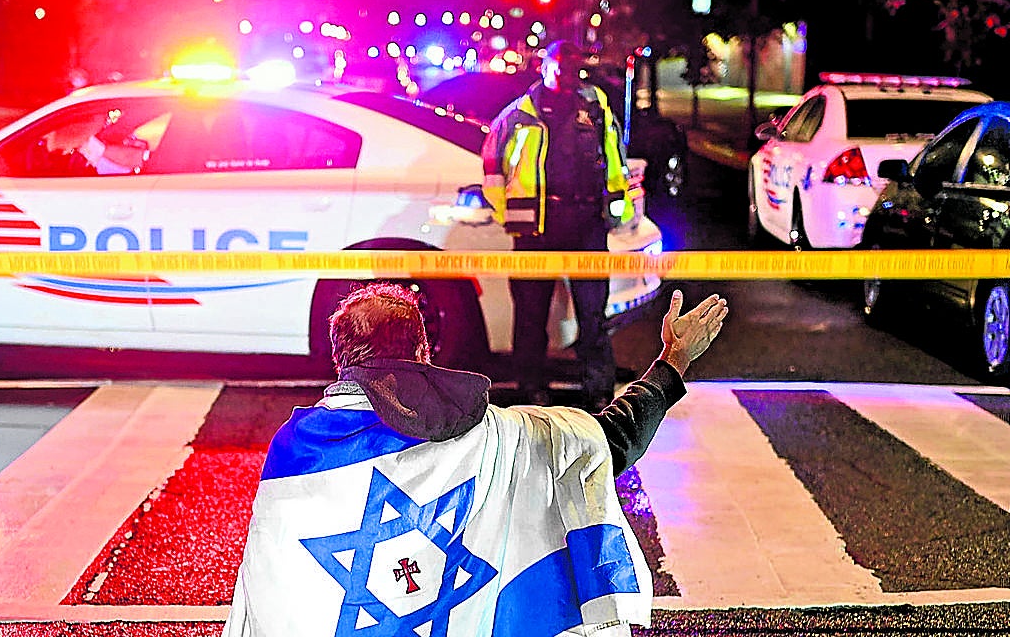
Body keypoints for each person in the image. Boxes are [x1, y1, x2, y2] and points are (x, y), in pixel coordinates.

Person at [224, 282, 729, 637]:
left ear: (340, 360)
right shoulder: (497, 436)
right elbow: (607, 440)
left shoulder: (297, 454)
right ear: (424, 350)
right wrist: (671, 363)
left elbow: (272, 587)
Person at [482, 39, 636, 407]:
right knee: (531, 316)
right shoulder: (519, 114)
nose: (568, 74)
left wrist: (616, 214)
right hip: (536, 231)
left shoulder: (596, 107)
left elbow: (615, 163)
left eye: (574, 68)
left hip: (586, 225)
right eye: (561, 66)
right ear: (544, 66)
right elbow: (492, 168)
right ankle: (531, 390)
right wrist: (512, 216)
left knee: (593, 315)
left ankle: (598, 393)